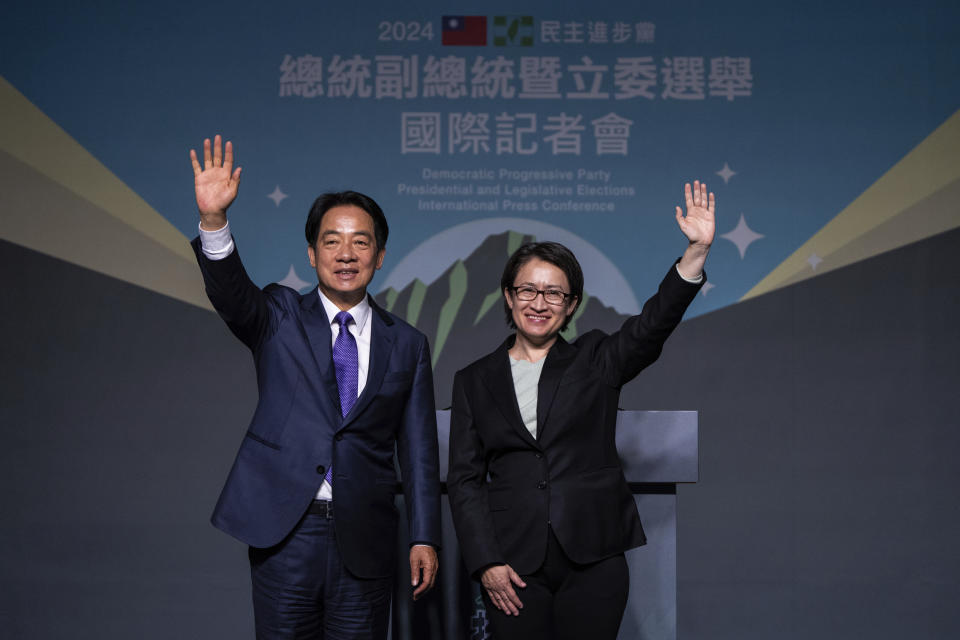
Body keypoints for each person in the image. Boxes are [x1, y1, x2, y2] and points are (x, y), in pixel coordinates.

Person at [189, 135, 441, 639]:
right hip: (286, 530)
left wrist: (424, 536)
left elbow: (418, 451)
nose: (346, 253)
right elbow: (232, 294)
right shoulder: (278, 315)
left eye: (360, 241)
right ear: (311, 253)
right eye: (332, 240)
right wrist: (214, 221)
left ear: (380, 254)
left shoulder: (408, 344)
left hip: (365, 536)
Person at [446, 181, 715, 640]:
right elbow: (465, 478)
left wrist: (694, 255)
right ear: (508, 298)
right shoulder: (473, 379)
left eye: (554, 294)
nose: (539, 303)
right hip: (512, 564)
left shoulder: (595, 360)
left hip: (593, 558)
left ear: (571, 306)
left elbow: (651, 328)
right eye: (527, 290)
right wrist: (486, 560)